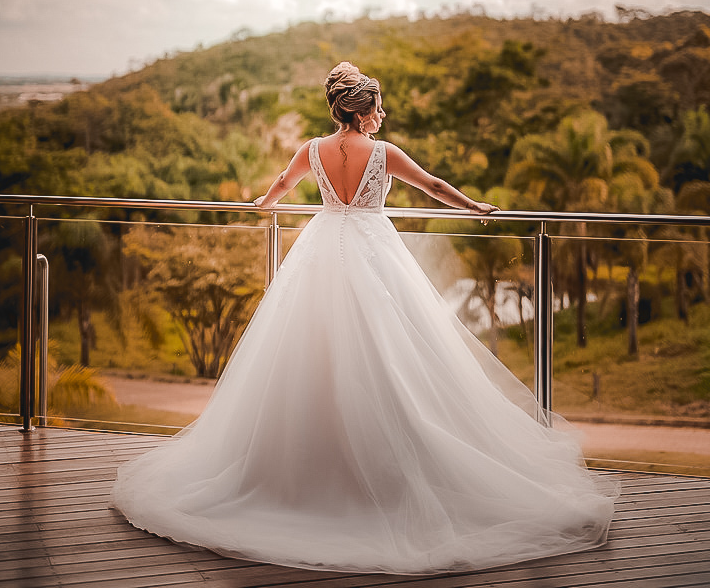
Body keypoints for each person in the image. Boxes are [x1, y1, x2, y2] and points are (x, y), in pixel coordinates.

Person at [112, 62, 617, 573]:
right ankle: (385, 467)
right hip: (374, 251)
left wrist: (263, 203)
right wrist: (473, 207)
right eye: (378, 106)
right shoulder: (384, 154)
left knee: (312, 350)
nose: (383, 114)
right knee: (392, 350)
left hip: (322, 246)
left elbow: (283, 185)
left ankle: (306, 471)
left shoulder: (312, 150)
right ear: (360, 110)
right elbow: (434, 186)